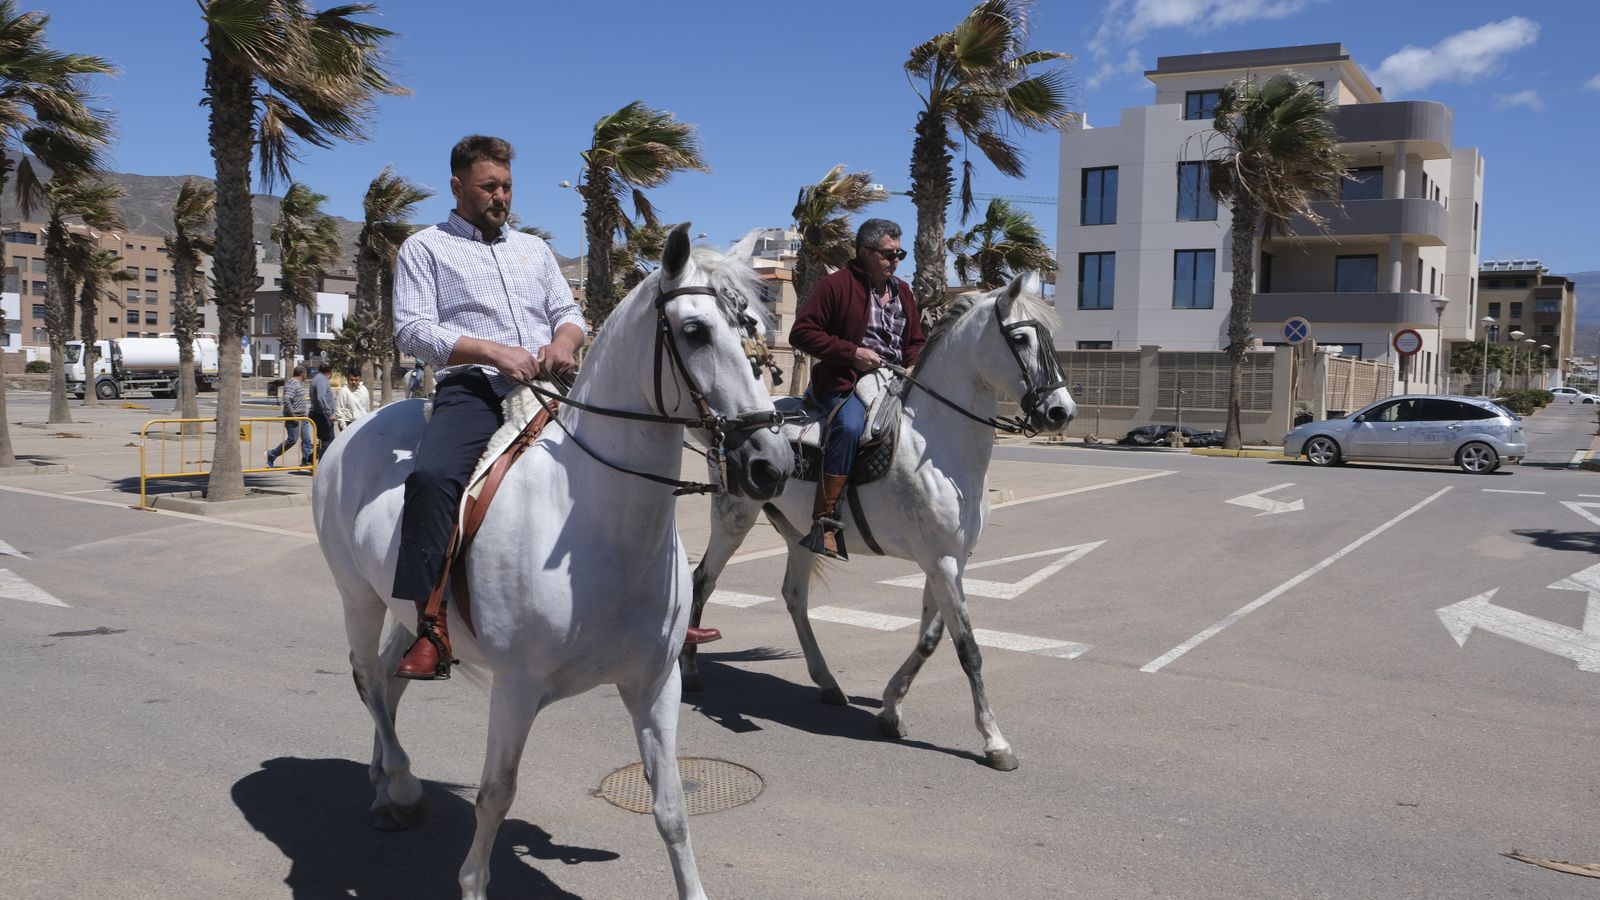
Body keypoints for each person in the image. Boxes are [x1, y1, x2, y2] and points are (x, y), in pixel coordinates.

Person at [788, 218, 925, 559]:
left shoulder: (903, 291)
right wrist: (852, 353)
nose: (895, 261)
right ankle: (825, 522)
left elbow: (916, 342)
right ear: (864, 252)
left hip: (895, 380)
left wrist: (912, 363)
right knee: (849, 426)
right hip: (845, 381)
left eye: (899, 254)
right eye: (888, 254)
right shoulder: (836, 286)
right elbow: (801, 333)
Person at [265, 365, 313, 468]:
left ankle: (306, 460)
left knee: (307, 440)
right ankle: (271, 455)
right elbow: (287, 400)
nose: (306, 376)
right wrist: (293, 416)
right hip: (293, 419)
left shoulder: (298, 384)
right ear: (303, 374)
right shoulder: (292, 384)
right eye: (306, 374)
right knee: (292, 440)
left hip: (303, 418)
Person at [308, 362, 335, 457]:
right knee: (327, 441)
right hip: (321, 415)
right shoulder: (322, 380)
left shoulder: (317, 378)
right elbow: (321, 398)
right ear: (330, 371)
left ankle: (310, 460)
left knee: (327, 441)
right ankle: (314, 461)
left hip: (320, 414)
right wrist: (329, 413)